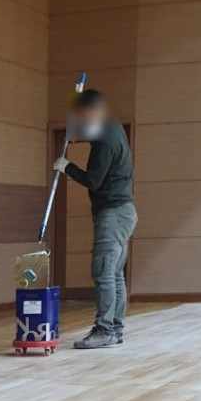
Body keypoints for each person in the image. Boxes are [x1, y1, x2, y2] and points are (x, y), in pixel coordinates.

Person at [52, 90, 137, 350]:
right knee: (114, 274)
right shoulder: (112, 127)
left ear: (91, 111)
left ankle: (104, 330)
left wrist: (66, 166)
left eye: (82, 115)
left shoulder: (105, 139)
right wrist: (75, 132)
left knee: (103, 273)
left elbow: (93, 180)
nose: (81, 120)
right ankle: (115, 329)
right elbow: (91, 133)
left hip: (113, 214)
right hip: (123, 212)